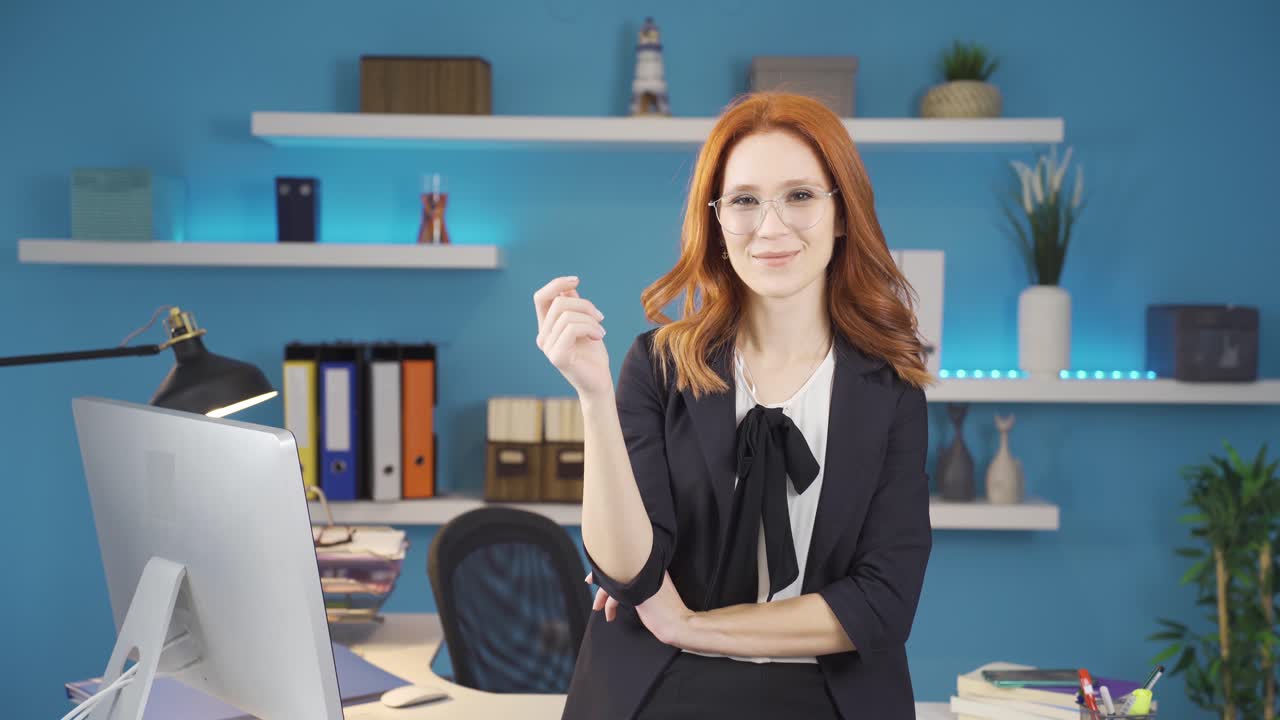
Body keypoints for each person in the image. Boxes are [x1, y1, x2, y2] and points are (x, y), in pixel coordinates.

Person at [532, 91, 934, 720]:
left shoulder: (891, 388)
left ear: (841, 213)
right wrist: (592, 396)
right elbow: (629, 573)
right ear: (717, 220)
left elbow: (881, 603)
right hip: (660, 691)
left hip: (830, 697)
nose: (770, 228)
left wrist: (688, 624)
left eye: (799, 196)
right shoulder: (659, 363)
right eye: (744, 201)